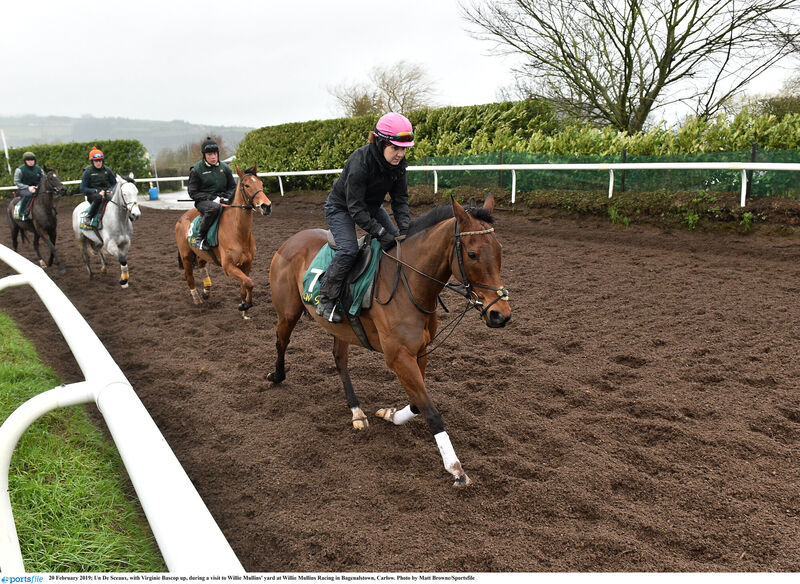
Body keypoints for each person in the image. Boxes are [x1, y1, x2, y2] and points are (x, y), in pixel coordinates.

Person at [315, 112, 414, 323]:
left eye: (403, 149)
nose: (400, 154)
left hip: (370, 206)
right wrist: (378, 232)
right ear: (380, 143)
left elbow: (400, 200)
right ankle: (325, 297)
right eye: (395, 148)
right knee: (349, 249)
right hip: (341, 207)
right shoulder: (359, 162)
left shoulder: (399, 167)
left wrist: (405, 228)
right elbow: (355, 209)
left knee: (397, 241)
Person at [187, 136, 235, 250]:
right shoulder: (196, 170)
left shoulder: (225, 168)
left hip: (223, 199)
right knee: (214, 208)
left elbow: (233, 187)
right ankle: (200, 238)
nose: (213, 157)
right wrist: (212, 198)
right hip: (204, 202)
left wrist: (227, 197)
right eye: (209, 155)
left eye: (215, 154)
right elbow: (192, 193)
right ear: (204, 155)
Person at [80, 147, 116, 222]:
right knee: (99, 197)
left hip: (106, 193)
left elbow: (114, 184)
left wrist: (110, 190)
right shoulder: (87, 172)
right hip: (93, 195)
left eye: (100, 160)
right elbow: (83, 188)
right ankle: (89, 217)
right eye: (96, 161)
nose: (98, 163)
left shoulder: (107, 170)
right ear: (92, 161)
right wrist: (96, 191)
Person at [13, 151, 44, 219]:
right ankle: (22, 213)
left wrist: (38, 186)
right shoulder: (19, 170)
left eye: (32, 160)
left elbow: (43, 179)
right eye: (28, 160)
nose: (30, 162)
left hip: (37, 187)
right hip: (24, 189)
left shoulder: (39, 169)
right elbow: (16, 182)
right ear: (25, 161)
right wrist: (28, 187)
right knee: (29, 194)